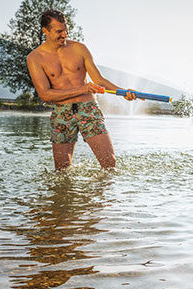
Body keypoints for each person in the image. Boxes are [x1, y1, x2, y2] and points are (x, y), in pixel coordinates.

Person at [27, 9, 139, 170]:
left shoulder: (79, 48)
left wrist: (123, 92)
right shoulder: (34, 58)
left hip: (88, 109)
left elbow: (99, 80)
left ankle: (101, 194)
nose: (64, 35)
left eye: (66, 30)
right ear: (45, 31)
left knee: (110, 164)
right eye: (59, 31)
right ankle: (67, 195)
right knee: (62, 171)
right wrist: (82, 88)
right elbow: (45, 95)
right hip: (61, 113)